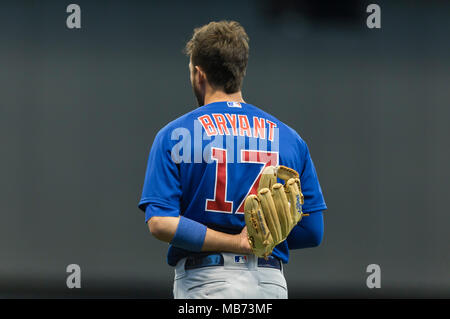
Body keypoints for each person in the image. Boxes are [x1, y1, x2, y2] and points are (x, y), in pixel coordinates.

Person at [138, 20, 327, 299]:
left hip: (207, 281)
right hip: (269, 282)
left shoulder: (175, 135)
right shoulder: (289, 138)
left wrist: (237, 243)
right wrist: (262, 238)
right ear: (240, 71)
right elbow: (312, 231)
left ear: (199, 73)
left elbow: (161, 222)